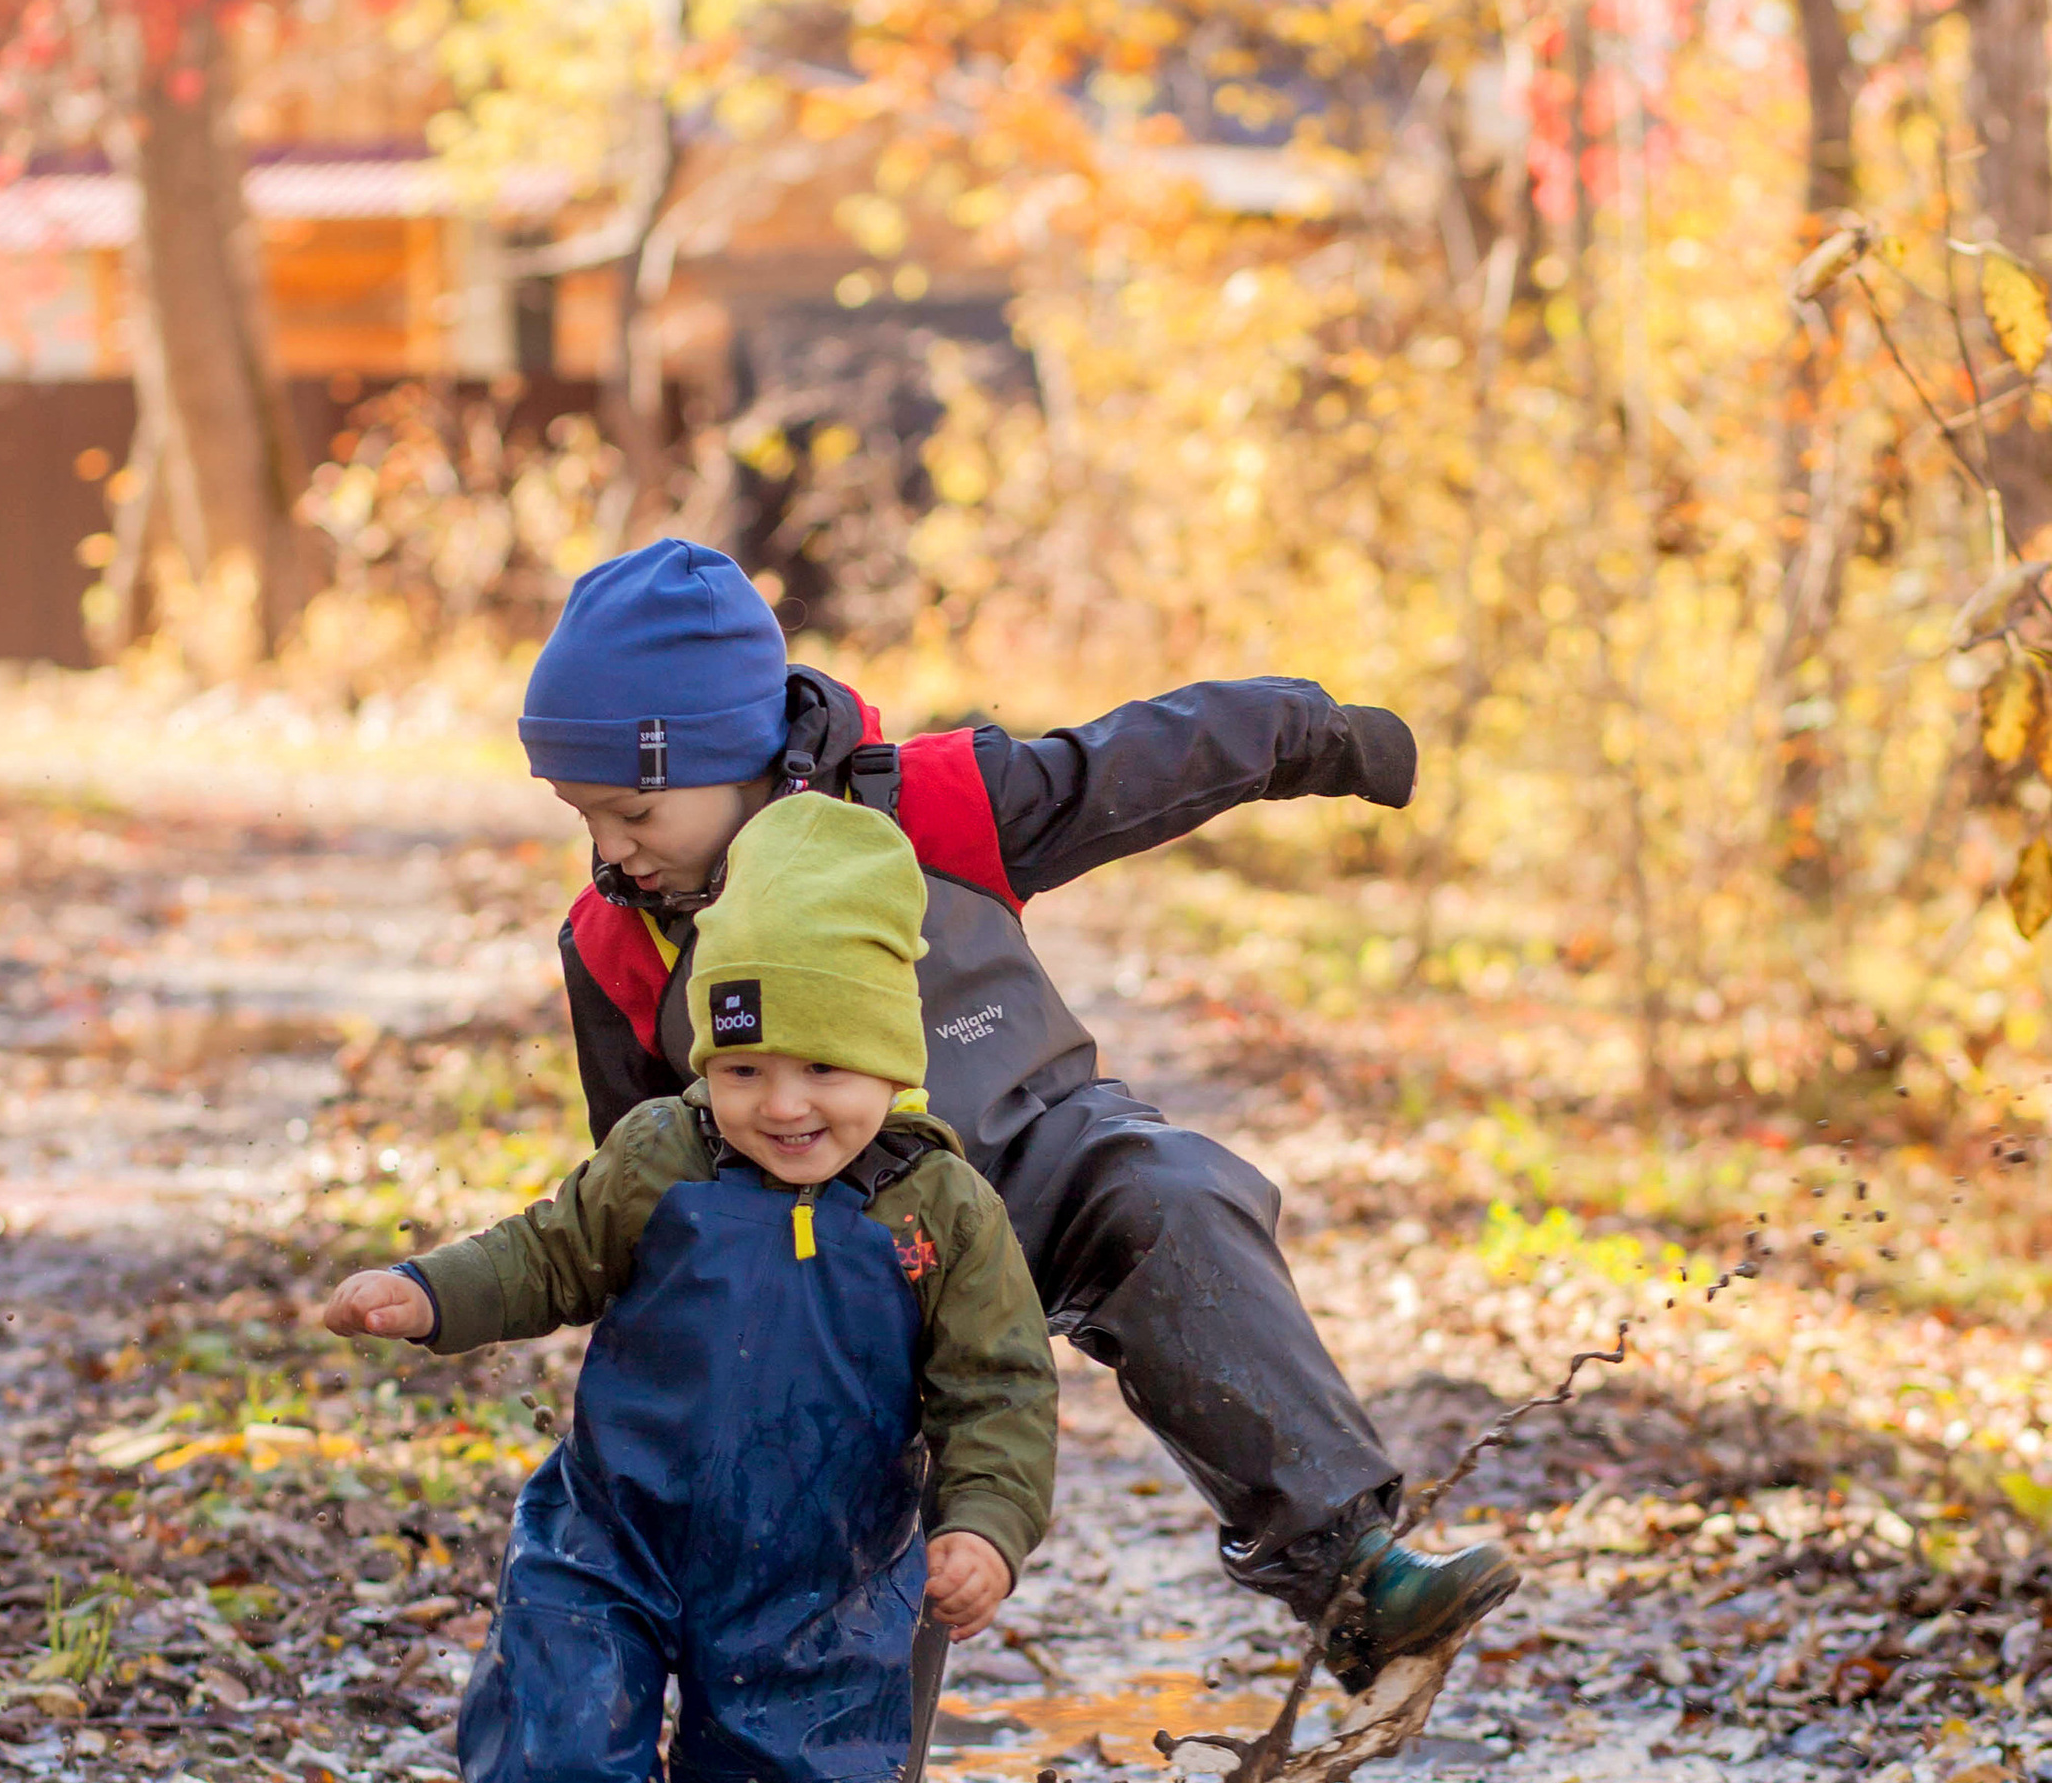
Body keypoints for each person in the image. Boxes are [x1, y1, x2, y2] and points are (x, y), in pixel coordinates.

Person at [529, 537, 1517, 1689]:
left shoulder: (937, 805)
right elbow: (643, 1179)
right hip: (839, 1267)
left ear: (727, 751)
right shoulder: (614, 943)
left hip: (1047, 1172)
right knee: (834, 1555)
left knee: (1175, 1193)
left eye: (633, 809)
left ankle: (1352, 1578)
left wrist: (1314, 733)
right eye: (582, 814)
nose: (611, 849)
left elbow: (1140, 761)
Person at [323, 792, 1056, 1783]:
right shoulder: (663, 1156)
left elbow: (998, 1389)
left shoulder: (935, 1209)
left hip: (820, 1579)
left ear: (891, 1060)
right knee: (558, 1735)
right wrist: (429, 1295)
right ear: (702, 1064)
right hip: (615, 1539)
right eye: (744, 1069)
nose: (783, 1107)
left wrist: (986, 1528)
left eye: (824, 1069)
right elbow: (547, 1254)